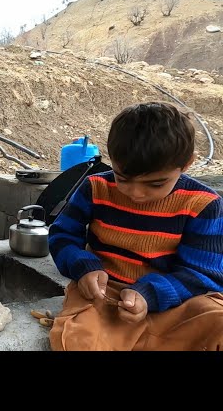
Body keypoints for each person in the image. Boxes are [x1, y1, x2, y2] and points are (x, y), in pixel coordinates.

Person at [48, 101, 223, 351]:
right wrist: (83, 267)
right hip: (106, 296)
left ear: (186, 164)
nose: (136, 194)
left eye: (155, 184)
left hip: (174, 301)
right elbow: (62, 234)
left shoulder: (204, 204)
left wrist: (149, 294)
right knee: (77, 338)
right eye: (123, 179)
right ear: (113, 160)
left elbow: (203, 275)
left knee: (217, 320)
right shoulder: (95, 188)